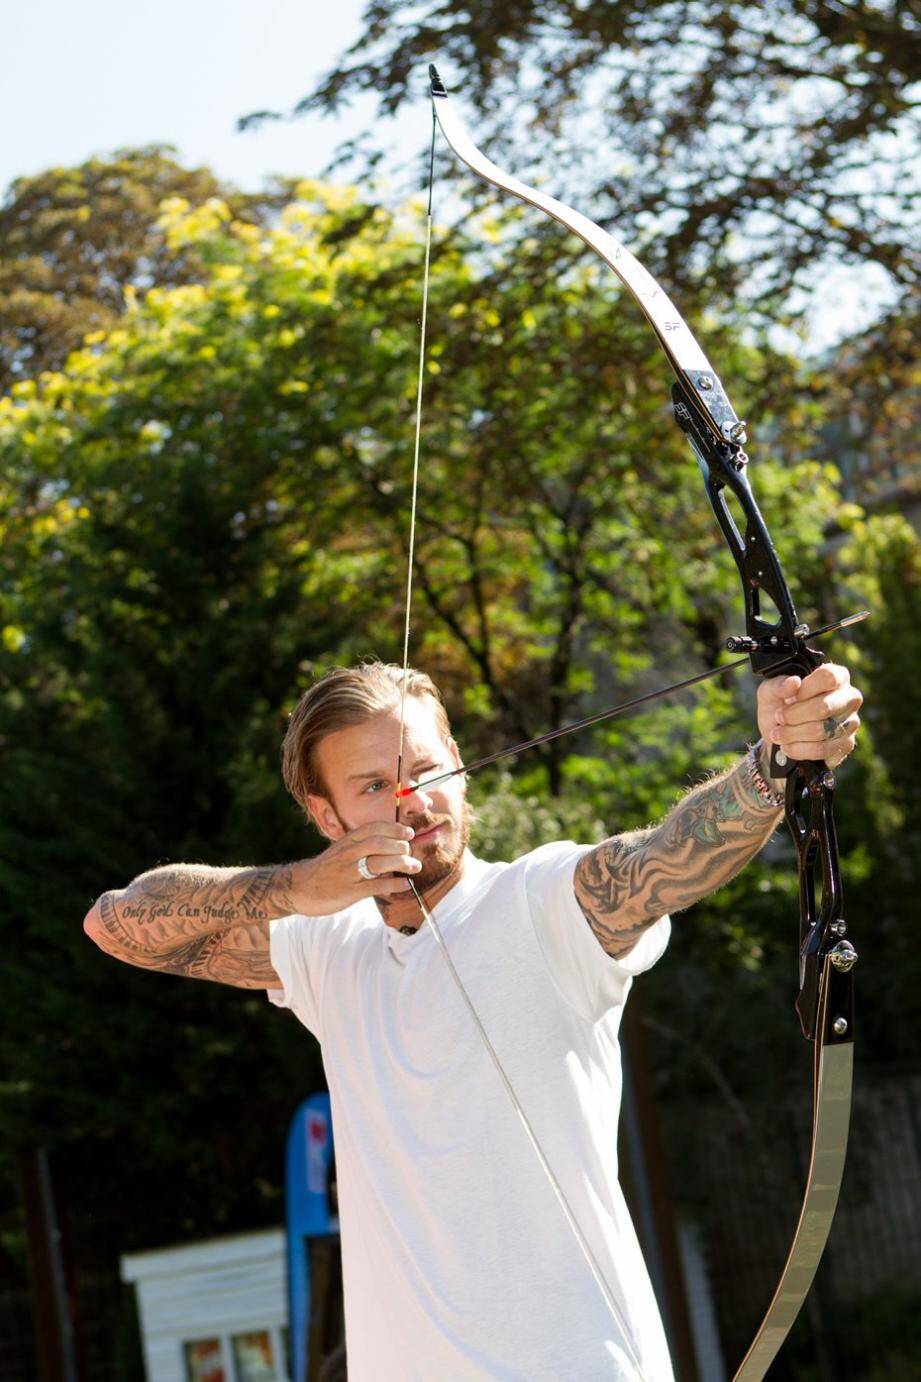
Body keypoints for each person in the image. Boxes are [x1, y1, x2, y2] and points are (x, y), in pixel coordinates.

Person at [84, 659, 862, 1381]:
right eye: (372, 787)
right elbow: (117, 923)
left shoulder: (542, 902)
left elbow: (663, 859)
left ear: (458, 759)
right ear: (324, 814)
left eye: (426, 769)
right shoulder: (324, 949)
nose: (413, 802)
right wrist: (299, 888)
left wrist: (771, 768)